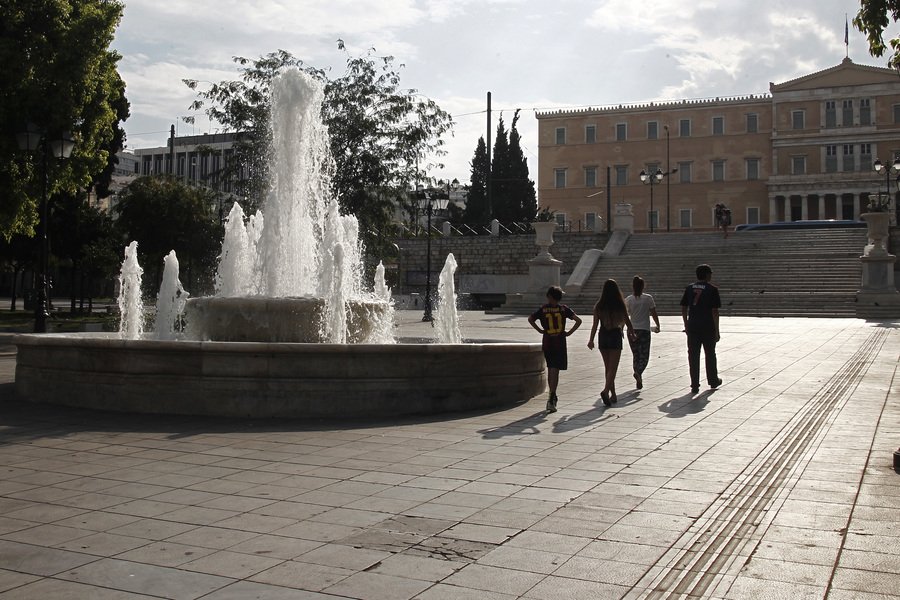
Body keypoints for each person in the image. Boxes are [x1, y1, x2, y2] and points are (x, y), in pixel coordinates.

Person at [528, 286, 582, 413]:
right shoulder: (563, 309)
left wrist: (540, 330)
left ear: (550, 297)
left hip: (548, 341)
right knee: (555, 370)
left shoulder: (543, 309)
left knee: (550, 367)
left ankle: (552, 396)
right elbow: (578, 320)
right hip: (560, 342)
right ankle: (552, 395)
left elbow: (530, 319)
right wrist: (568, 333)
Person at [587, 279, 635, 406]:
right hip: (615, 335)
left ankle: (612, 394)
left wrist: (591, 340)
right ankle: (606, 390)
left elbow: (595, 325)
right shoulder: (619, 304)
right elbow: (627, 320)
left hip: (603, 335)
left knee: (608, 367)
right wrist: (632, 332)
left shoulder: (599, 305)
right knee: (613, 368)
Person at [680, 264, 723, 394]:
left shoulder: (689, 288)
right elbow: (714, 311)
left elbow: (683, 307)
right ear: (707, 275)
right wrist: (717, 330)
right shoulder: (712, 289)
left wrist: (686, 324)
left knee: (693, 355)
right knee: (710, 354)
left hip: (693, 326)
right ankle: (713, 380)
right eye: (710, 273)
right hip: (708, 326)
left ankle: (694, 384)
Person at [625, 276, 661, 390]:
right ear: (643, 286)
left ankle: (637, 372)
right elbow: (653, 312)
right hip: (644, 330)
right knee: (644, 355)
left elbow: (625, 316)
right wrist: (658, 324)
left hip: (631, 330)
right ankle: (639, 372)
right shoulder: (648, 298)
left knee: (636, 354)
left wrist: (621, 328)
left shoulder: (629, 299)